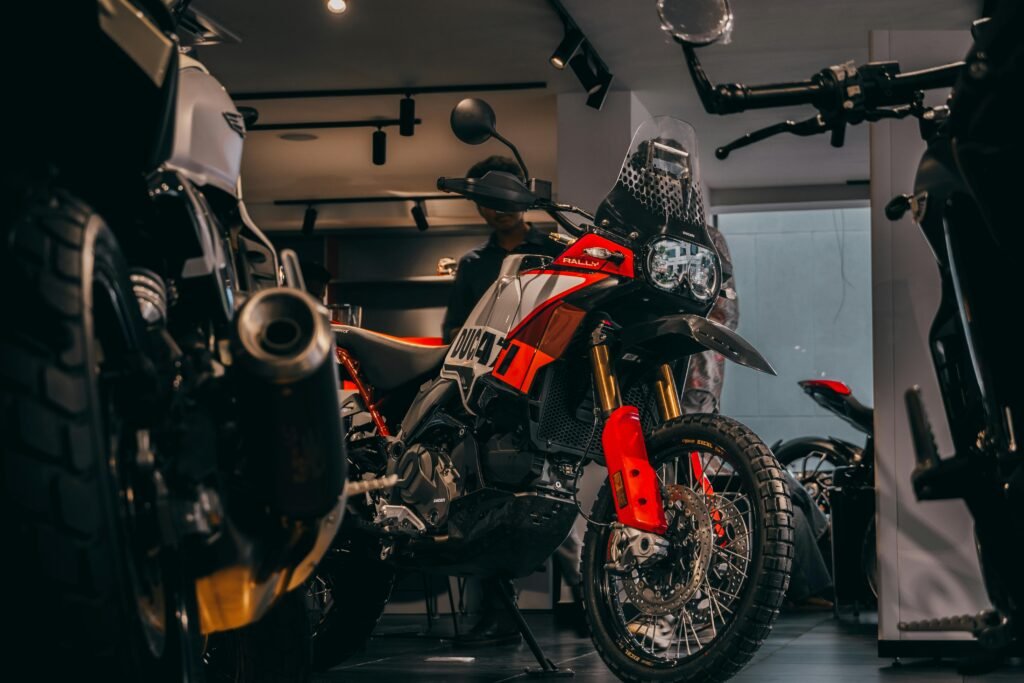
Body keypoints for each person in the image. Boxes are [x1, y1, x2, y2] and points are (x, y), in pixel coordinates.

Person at [443, 156, 581, 645]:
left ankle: (586, 597)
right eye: (484, 200)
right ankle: (496, 616)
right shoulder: (475, 267)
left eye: (500, 198)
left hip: (542, 392)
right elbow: (453, 334)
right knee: (486, 501)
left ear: (521, 195)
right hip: (487, 399)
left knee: (547, 492)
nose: (494, 210)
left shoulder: (555, 251)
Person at [679, 225, 833, 608]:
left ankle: (821, 573)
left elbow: (728, 308)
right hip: (690, 453)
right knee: (779, 493)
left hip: (707, 441)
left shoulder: (713, 331)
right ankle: (815, 583)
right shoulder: (683, 340)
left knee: (785, 491)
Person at [442, 155, 563, 343]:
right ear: (478, 207)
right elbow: (453, 328)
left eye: (504, 199)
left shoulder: (555, 250)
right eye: (489, 202)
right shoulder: (472, 262)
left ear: (522, 198)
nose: (499, 210)